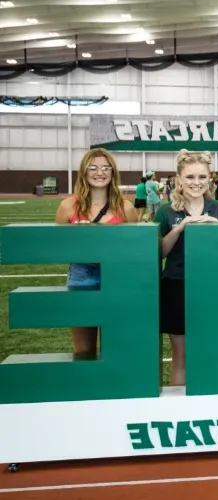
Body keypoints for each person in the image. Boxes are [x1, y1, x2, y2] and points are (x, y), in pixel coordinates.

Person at [156, 150, 218, 386]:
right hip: (175, 285)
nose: (196, 183)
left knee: (213, 352)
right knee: (180, 356)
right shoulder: (165, 211)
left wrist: (217, 228)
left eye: (202, 177)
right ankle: (180, 411)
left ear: (210, 178)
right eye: (190, 177)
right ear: (179, 178)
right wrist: (180, 228)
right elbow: (159, 252)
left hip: (213, 287)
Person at [54, 149, 137, 360]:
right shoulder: (67, 207)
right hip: (81, 276)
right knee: (83, 352)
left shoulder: (126, 208)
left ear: (112, 172)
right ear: (84, 171)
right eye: (93, 167)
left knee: (118, 349)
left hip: (117, 278)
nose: (99, 172)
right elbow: (57, 247)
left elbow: (135, 249)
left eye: (105, 167)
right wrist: (79, 240)